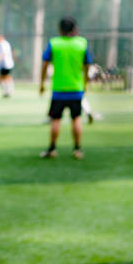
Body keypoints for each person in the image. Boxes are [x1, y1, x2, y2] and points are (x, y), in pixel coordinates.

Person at [39, 17, 92, 160]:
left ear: (60, 29)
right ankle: (77, 149)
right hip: (76, 88)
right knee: (76, 118)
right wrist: (85, 83)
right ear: (74, 29)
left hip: (58, 89)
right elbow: (87, 66)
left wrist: (42, 83)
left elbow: (45, 64)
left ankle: (52, 149)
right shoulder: (82, 43)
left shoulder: (54, 43)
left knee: (55, 119)